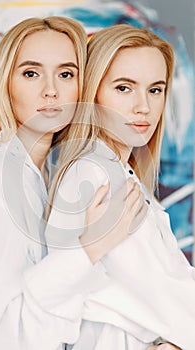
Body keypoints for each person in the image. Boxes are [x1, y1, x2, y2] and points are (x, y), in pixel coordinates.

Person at [0, 16, 150, 350]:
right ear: (4, 82)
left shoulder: (50, 177)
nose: (51, 90)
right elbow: (9, 338)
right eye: (31, 73)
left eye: (66, 73)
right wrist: (89, 248)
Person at [46, 24, 195, 350]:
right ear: (93, 93)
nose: (143, 106)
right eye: (124, 88)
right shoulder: (95, 175)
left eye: (155, 90)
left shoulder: (119, 173)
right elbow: (160, 291)